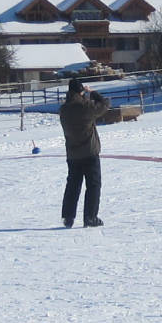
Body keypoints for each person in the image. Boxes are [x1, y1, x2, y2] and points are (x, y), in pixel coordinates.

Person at [58, 76, 112, 226]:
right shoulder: (86, 107)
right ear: (81, 92)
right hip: (89, 152)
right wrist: (93, 94)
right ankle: (90, 217)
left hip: (73, 154)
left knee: (73, 185)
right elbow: (105, 104)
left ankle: (68, 217)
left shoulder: (64, 109)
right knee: (93, 185)